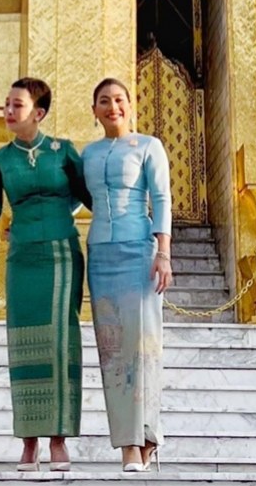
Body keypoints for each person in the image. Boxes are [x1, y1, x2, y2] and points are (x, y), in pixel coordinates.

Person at [0, 78, 93, 472]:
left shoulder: (63, 151)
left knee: (61, 341)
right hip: (22, 258)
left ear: (38, 113)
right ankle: (29, 441)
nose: (9, 111)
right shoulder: (0, 158)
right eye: (7, 104)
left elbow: (86, 193)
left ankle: (59, 438)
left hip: (62, 253)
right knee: (24, 343)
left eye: (17, 105)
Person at [81, 78, 172, 473]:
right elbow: (77, 197)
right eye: (104, 101)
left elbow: (163, 197)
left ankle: (141, 438)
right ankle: (131, 440)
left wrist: (164, 253)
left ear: (131, 105)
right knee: (112, 351)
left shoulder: (149, 146)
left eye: (119, 100)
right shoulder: (88, 153)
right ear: (95, 110)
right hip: (100, 252)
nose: (112, 107)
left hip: (139, 252)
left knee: (141, 348)